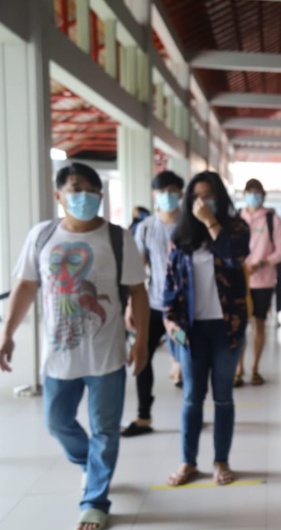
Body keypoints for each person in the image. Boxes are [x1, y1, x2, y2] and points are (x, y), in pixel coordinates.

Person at [0, 162, 148, 530]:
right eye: (74, 188)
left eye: (89, 190)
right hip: (58, 358)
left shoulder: (118, 238)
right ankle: (89, 464)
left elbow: (138, 293)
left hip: (106, 355)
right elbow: (26, 287)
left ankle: (95, 500)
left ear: (100, 195)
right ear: (58, 195)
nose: (81, 196)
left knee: (105, 430)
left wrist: (143, 340)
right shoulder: (42, 235)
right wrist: (7, 333)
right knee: (57, 422)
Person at [162, 171, 250, 487]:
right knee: (192, 398)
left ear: (219, 197)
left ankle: (221, 460)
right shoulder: (180, 236)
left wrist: (212, 222)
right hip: (191, 329)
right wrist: (169, 320)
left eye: (208, 195)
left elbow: (233, 257)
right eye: (196, 196)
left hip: (227, 327)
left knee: (223, 397)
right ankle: (188, 462)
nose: (202, 201)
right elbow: (170, 283)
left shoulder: (236, 228)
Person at [121, 171, 185, 437]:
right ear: (154, 195)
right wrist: (130, 307)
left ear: (181, 194)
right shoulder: (146, 227)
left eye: (172, 191)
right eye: (162, 191)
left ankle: (192, 413)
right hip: (155, 304)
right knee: (142, 355)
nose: (167, 196)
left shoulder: (191, 226)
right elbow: (137, 271)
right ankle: (143, 416)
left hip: (185, 308)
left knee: (190, 361)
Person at [236, 179, 281, 386]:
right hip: (239, 280)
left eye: (257, 193)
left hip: (263, 281)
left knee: (259, 324)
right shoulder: (237, 218)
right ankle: (238, 369)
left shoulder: (271, 219)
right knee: (238, 326)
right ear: (245, 194)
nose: (254, 196)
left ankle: (255, 368)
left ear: (263, 196)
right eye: (250, 192)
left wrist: (263, 263)